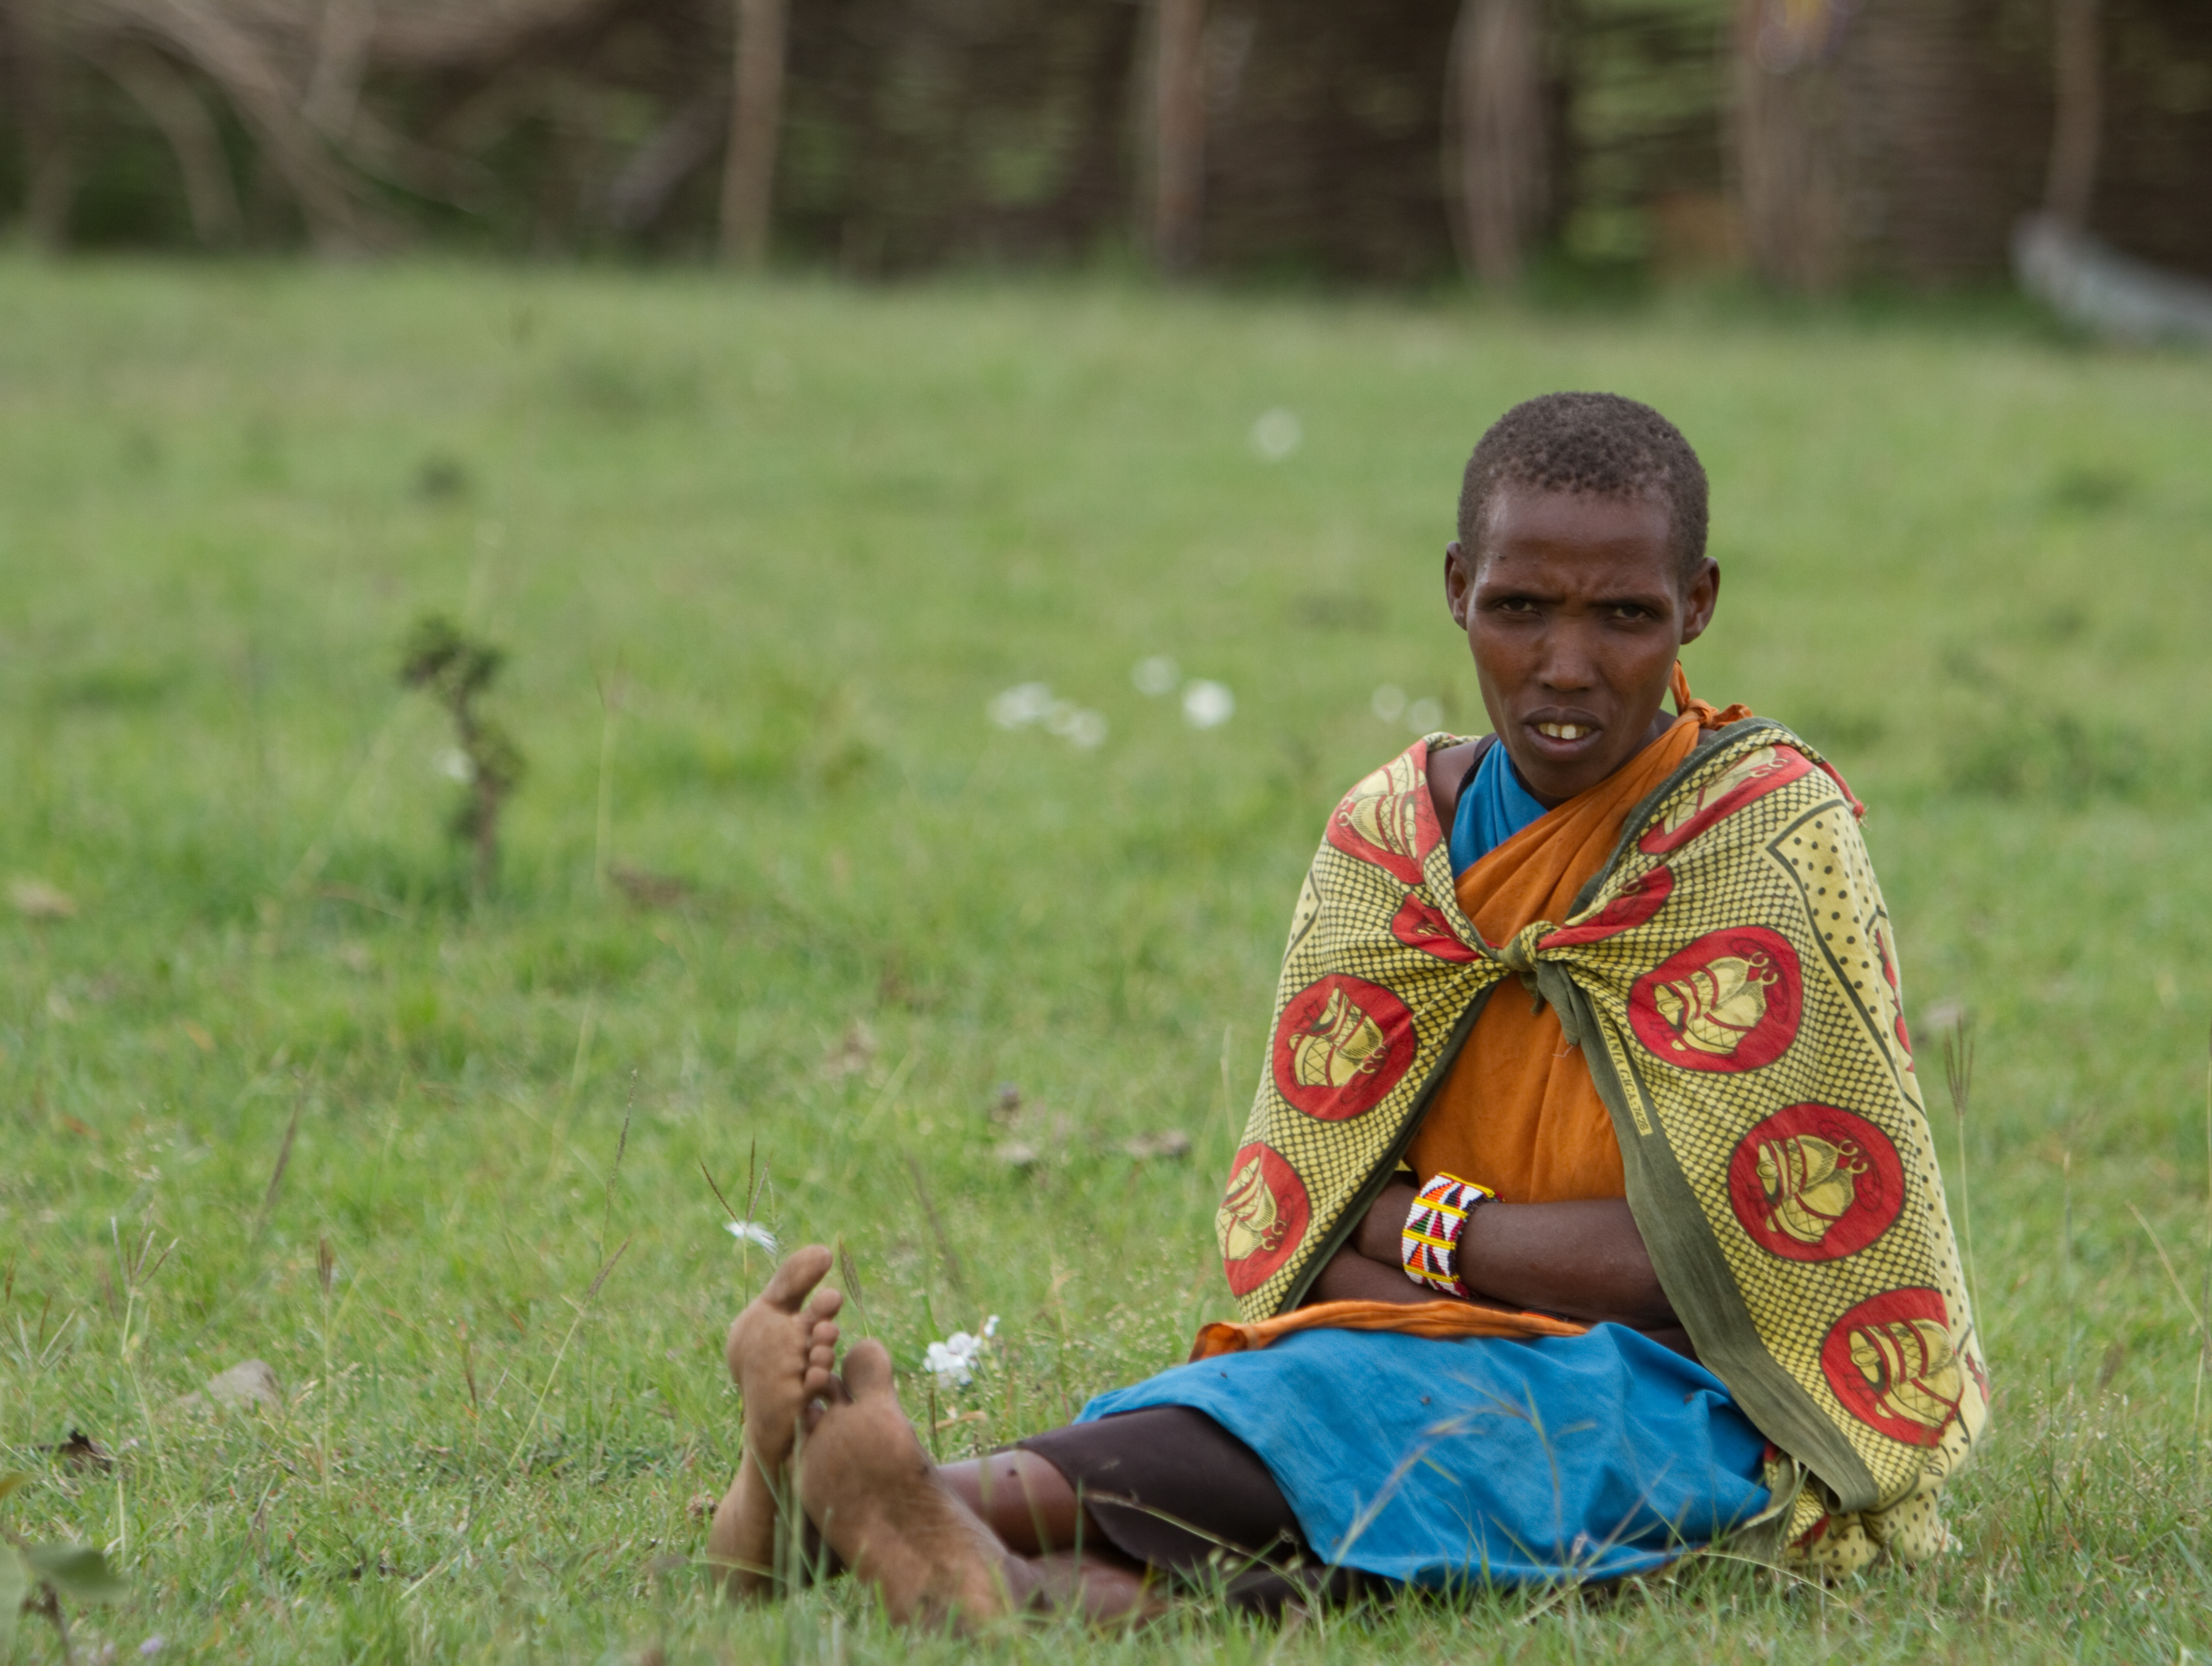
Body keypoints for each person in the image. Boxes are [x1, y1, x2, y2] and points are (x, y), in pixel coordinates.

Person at [707, 392, 1989, 1628]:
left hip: (1688, 1392)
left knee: (1357, 1410)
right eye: (1519, 610)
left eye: (1626, 617)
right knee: (1293, 1400)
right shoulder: (1395, 842)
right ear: (1453, 590)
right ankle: (918, 1523)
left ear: (1698, 607)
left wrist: (1434, 1236)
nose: (1566, 666)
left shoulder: (1761, 837)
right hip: (1396, 1341)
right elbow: (1307, 1226)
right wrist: (1476, 1269)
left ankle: (879, 1510)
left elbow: (1727, 1261)